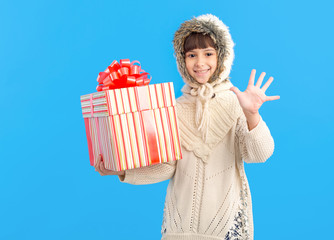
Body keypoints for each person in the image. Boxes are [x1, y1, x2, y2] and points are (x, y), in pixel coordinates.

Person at [94, 14, 280, 240]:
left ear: (222, 57)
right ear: (183, 61)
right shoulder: (173, 108)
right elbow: (167, 166)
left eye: (208, 54)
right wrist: (121, 171)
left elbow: (260, 154)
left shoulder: (236, 102)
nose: (200, 63)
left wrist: (252, 114)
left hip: (225, 230)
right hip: (178, 230)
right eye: (192, 55)